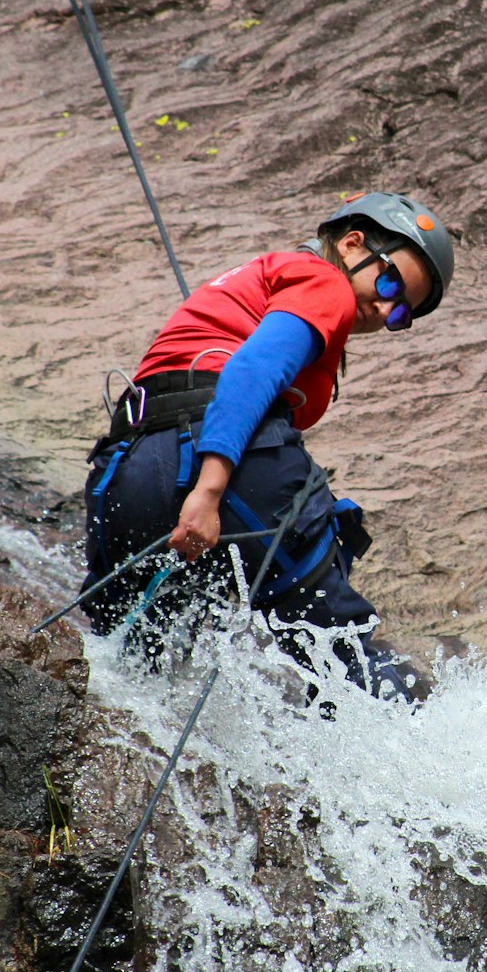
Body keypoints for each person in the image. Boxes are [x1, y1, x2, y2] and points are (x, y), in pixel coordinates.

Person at [79, 191, 454, 701]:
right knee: (340, 649)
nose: (385, 306)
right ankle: (427, 738)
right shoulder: (325, 284)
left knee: (134, 657)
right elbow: (252, 371)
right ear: (351, 244)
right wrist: (208, 492)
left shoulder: (264, 279)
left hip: (127, 471)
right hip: (217, 467)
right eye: (389, 282)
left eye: (400, 312)